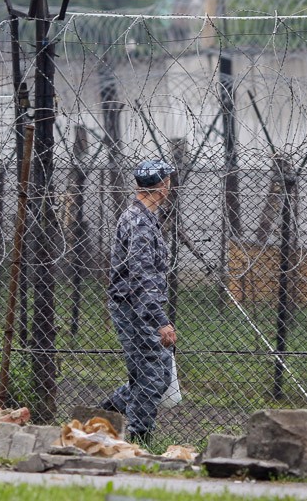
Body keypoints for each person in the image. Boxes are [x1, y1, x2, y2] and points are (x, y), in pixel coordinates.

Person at [99, 159, 178, 445]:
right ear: (164, 186)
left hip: (139, 307)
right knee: (151, 375)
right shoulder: (140, 223)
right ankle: (138, 438)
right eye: (169, 181)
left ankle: (103, 414)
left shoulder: (142, 217)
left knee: (158, 374)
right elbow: (141, 276)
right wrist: (160, 320)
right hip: (136, 309)